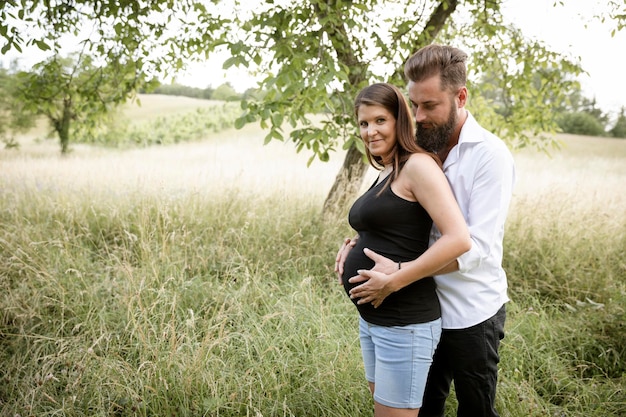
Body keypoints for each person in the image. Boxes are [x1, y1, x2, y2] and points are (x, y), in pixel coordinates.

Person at [336, 45, 516, 417]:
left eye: (429, 106)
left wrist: (400, 274)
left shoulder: (489, 156)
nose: (419, 115)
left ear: (460, 96)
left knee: (476, 410)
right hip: (421, 306)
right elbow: (404, 216)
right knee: (424, 408)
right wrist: (361, 243)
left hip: (470, 310)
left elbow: (473, 247)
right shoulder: (421, 146)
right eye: (414, 105)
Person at [338, 82, 471, 417]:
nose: (370, 131)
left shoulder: (418, 166)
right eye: (364, 124)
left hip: (404, 322)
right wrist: (355, 243)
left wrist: (395, 279)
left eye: (380, 120)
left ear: (401, 118)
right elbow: (393, 227)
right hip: (373, 318)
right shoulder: (388, 168)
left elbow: (459, 239)